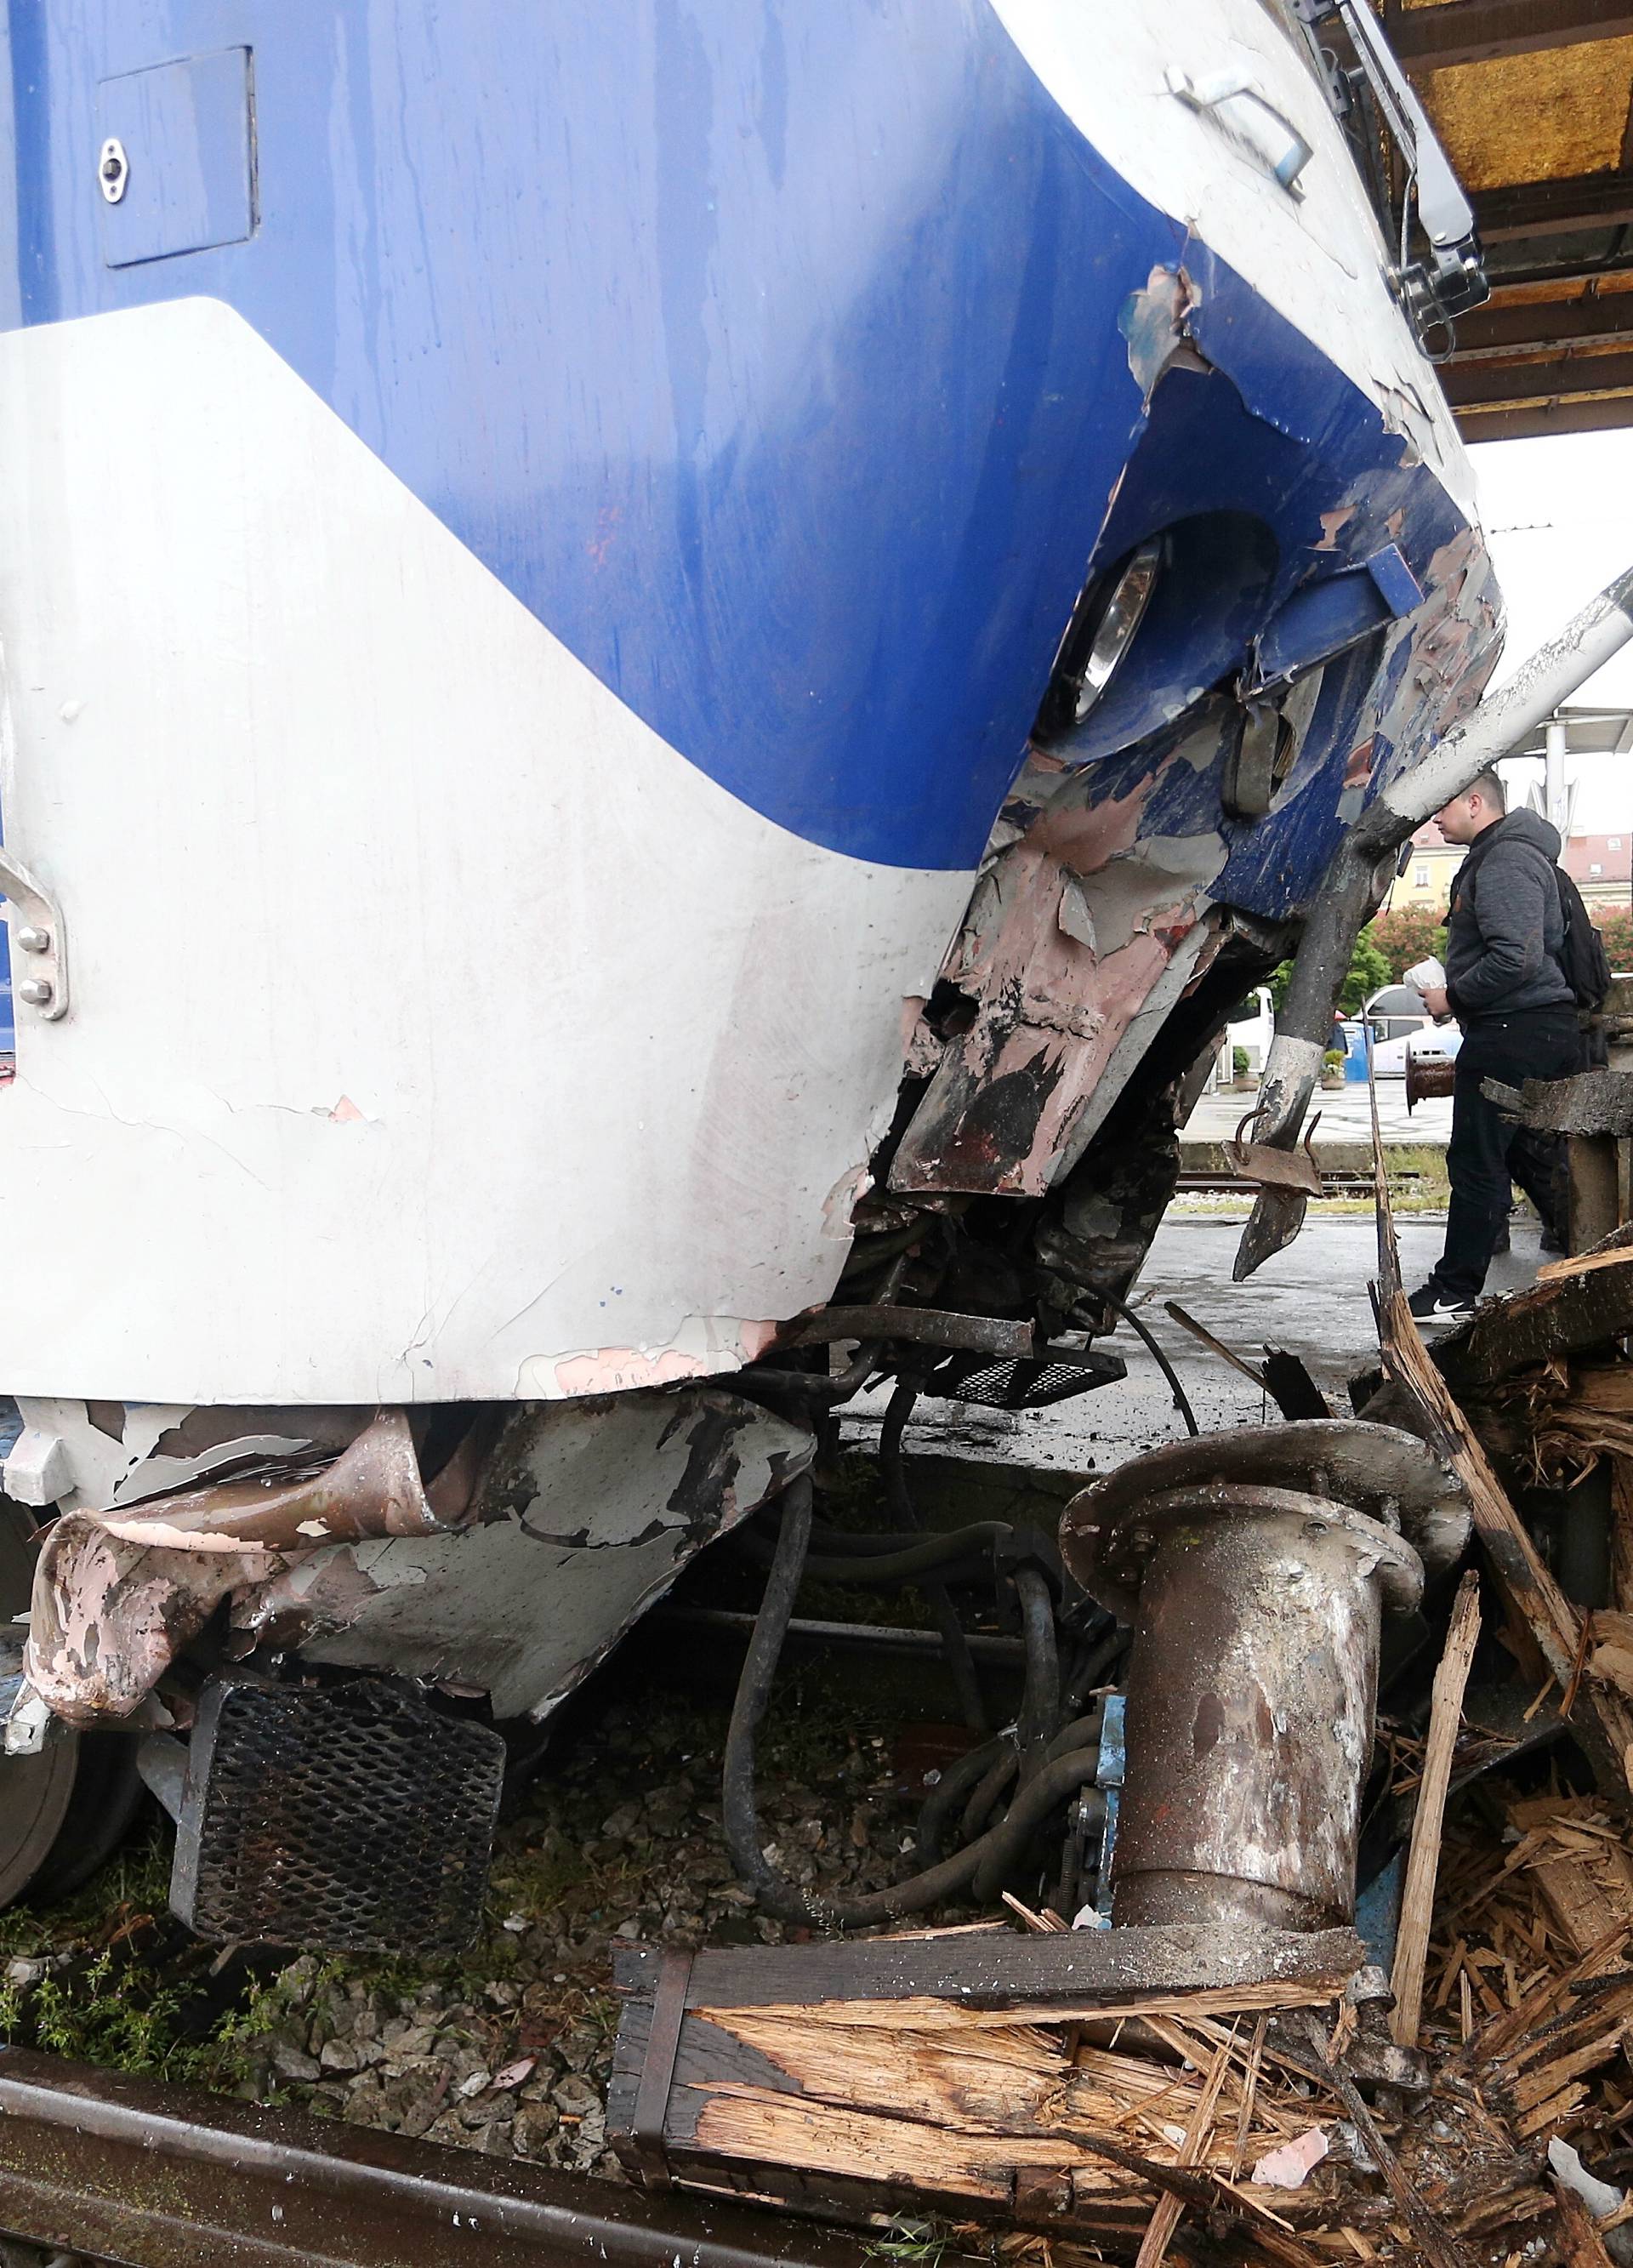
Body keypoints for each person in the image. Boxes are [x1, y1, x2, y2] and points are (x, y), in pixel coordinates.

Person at [1408, 769, 1581, 1321]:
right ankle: (1593, 1264)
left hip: (1513, 1030)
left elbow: (1519, 957)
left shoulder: (1504, 859)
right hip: (1535, 1026)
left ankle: (1453, 1289)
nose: (1434, 817)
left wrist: (1451, 997)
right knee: (1532, 1160)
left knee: (1478, 1159)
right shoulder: (1513, 855)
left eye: (1444, 805)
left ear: (1476, 802)